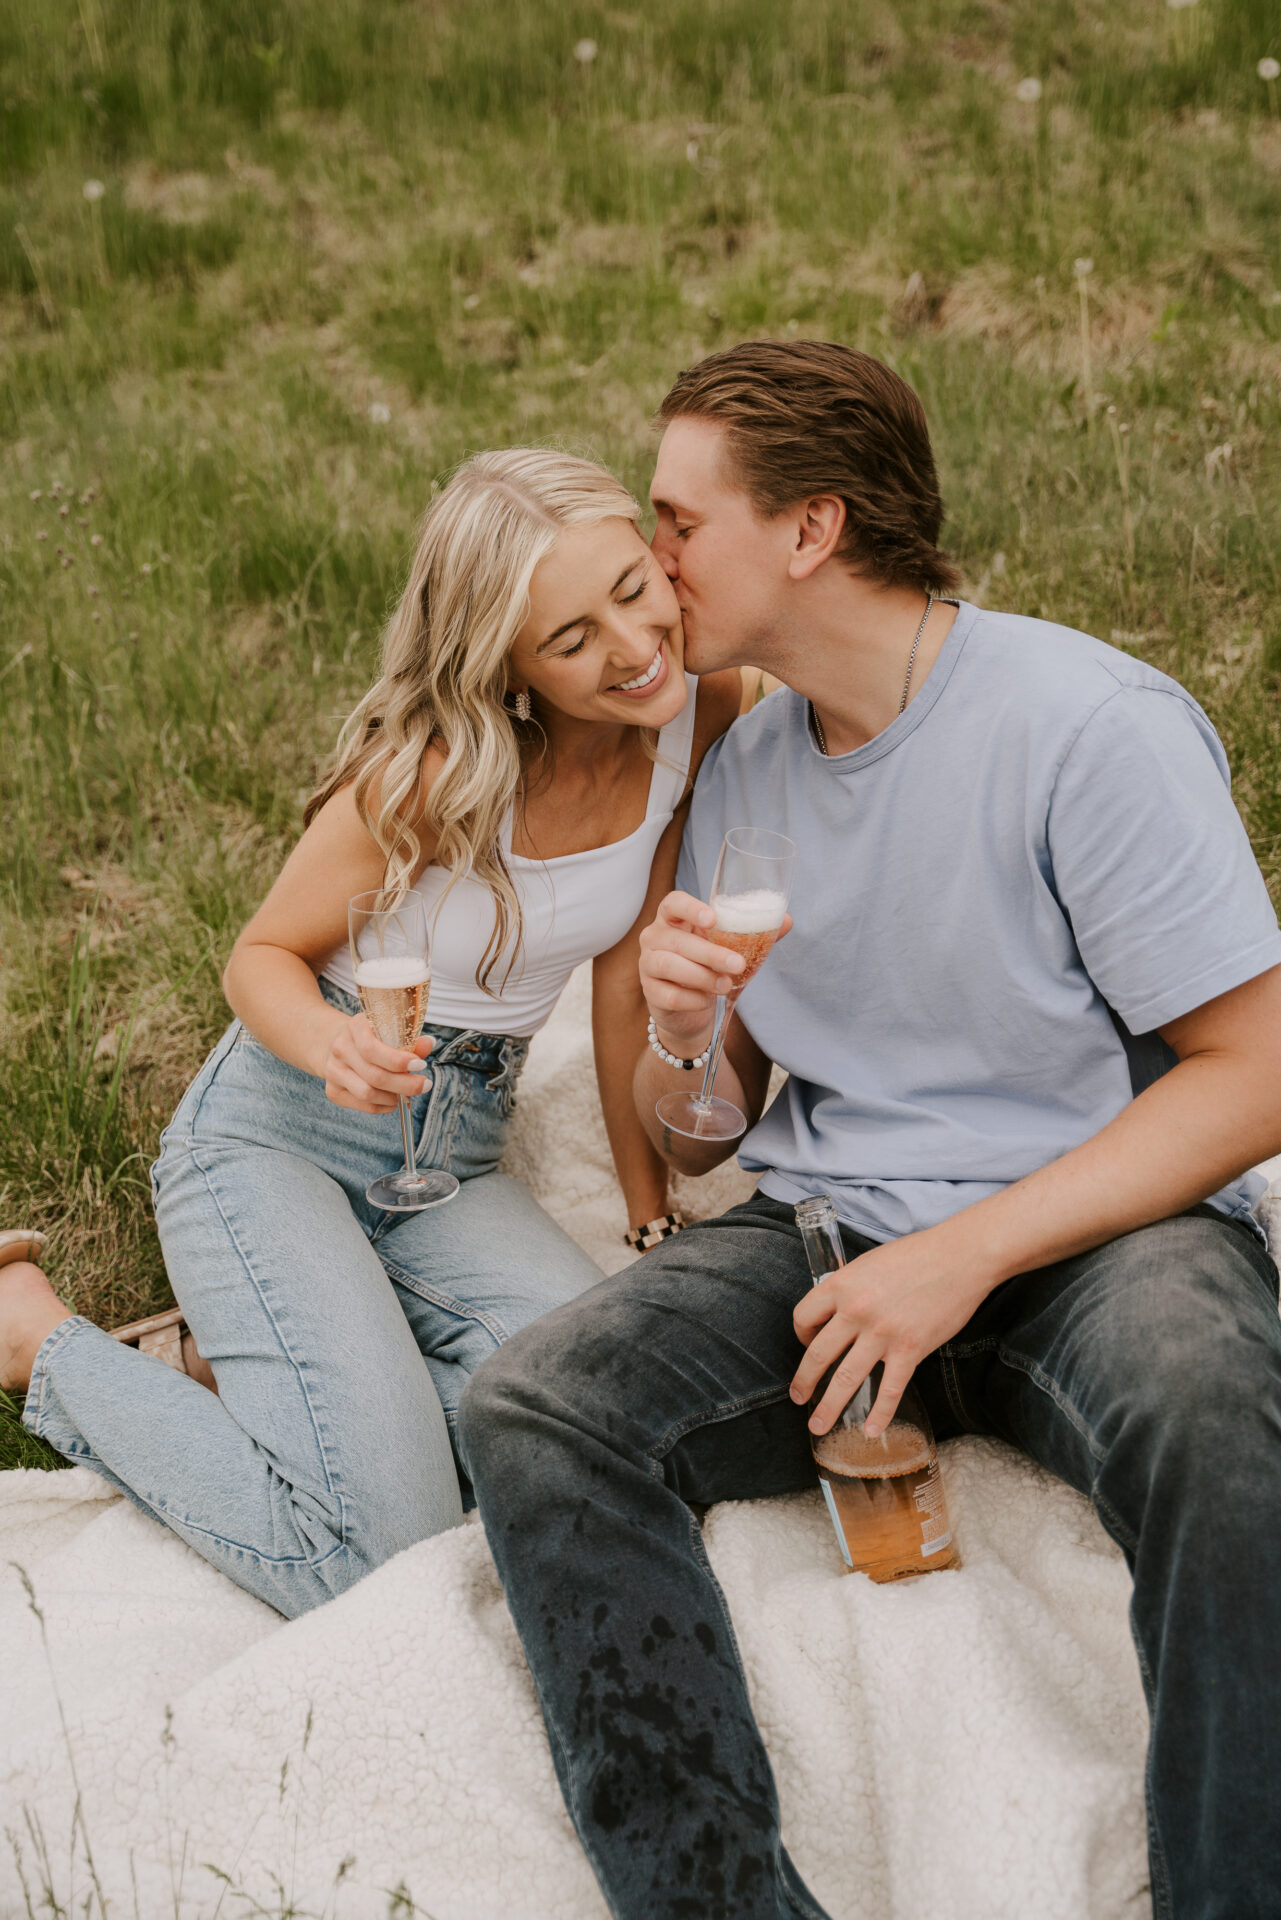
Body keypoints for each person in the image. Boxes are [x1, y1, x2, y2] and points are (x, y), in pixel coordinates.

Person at [457, 343, 1281, 1919]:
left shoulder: (1087, 723)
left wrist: (962, 1257)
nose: (654, 564)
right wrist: (687, 1045)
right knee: (539, 1408)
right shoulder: (748, 762)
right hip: (830, 1232)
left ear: (811, 531)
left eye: (677, 523)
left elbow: (1250, 1070)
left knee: (1222, 1419)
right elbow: (706, 1137)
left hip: (1093, 1228)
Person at [0, 448, 741, 1618]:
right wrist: (330, 1048)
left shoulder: (702, 710)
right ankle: (40, 1342)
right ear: (507, 667)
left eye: (632, 587)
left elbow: (618, 979)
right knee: (376, 1544)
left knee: (610, 1415)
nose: (630, 644)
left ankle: (287, 1367)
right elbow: (258, 958)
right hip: (282, 1134)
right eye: (569, 640)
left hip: (453, 1159)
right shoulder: (433, 777)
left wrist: (648, 1208)